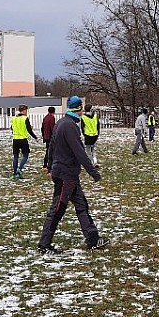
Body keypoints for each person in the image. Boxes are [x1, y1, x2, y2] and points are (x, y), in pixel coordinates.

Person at [38, 95, 109, 253]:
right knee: (57, 209)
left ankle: (93, 239)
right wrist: (93, 172)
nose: (83, 111)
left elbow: (51, 148)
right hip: (66, 175)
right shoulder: (70, 126)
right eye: (81, 109)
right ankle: (44, 244)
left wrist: (50, 167)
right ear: (78, 109)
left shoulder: (61, 123)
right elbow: (80, 152)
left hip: (67, 174)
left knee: (82, 206)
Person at [11, 104, 39, 178]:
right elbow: (29, 130)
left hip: (15, 139)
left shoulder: (13, 118)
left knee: (15, 156)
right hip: (23, 139)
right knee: (26, 155)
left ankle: (14, 173)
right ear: (24, 110)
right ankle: (19, 169)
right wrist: (35, 137)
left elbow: (12, 128)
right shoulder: (25, 118)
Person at [81, 103, 101, 167]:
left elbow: (82, 127)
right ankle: (95, 161)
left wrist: (84, 134)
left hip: (88, 135)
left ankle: (91, 163)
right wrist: (97, 133)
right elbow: (98, 125)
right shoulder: (95, 116)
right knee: (93, 149)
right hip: (95, 135)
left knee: (88, 150)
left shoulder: (83, 117)